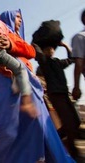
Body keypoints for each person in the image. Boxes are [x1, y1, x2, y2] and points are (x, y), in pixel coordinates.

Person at [0, 9, 75, 163]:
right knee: (10, 130)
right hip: (8, 81)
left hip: (28, 86)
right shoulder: (0, 33)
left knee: (39, 129)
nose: (20, 20)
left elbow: (30, 51)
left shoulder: (12, 36)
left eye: (20, 17)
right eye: (16, 17)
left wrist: (11, 43)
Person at [32, 20, 81, 159]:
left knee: (75, 121)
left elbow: (72, 58)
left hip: (65, 94)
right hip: (55, 95)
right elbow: (36, 50)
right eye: (47, 49)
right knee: (70, 124)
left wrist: (64, 44)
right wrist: (37, 41)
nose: (50, 50)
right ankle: (73, 153)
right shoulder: (44, 64)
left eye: (52, 49)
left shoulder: (58, 63)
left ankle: (55, 140)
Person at [71, 9, 85, 101]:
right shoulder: (80, 37)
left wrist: (76, 87)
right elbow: (79, 63)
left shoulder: (79, 37)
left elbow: (79, 62)